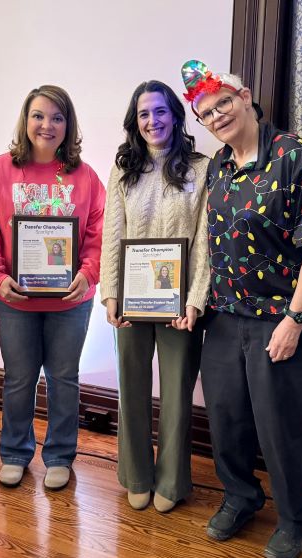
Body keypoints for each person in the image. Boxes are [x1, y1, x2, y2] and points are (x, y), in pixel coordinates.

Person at [181, 59, 302, 558]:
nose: (218, 115)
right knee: (227, 420)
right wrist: (196, 302)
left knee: (280, 427)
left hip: (279, 318)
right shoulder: (219, 167)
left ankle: (296, 518)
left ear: (245, 97)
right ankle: (241, 497)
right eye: (206, 112)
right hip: (224, 318)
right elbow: (209, 246)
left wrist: (295, 320)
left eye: (224, 102)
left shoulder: (293, 155)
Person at [0, 85, 105, 490]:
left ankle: (60, 455)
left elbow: (98, 231)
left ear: (68, 125)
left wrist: (89, 271)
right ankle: (14, 452)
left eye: (57, 118)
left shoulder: (84, 176)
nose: (47, 125)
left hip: (71, 300)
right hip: (16, 298)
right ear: (25, 121)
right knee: (20, 377)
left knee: (64, 378)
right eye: (39, 116)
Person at [100, 80, 210, 513]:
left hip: (179, 302)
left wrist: (196, 299)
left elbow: (203, 240)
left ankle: (171, 480)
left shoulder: (202, 169)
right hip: (132, 298)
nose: (152, 121)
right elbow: (114, 233)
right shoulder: (123, 169)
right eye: (144, 114)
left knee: (178, 394)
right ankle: (136, 475)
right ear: (135, 121)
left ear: (175, 116)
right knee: (131, 387)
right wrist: (111, 293)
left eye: (160, 112)